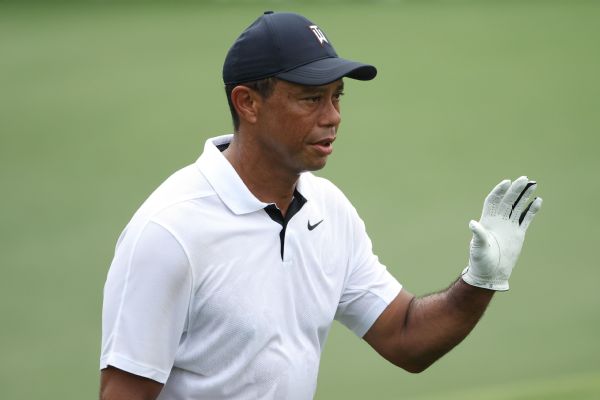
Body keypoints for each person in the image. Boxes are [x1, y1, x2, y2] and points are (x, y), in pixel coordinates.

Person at [99, 11, 543, 400]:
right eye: (311, 98)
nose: (332, 116)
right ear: (247, 103)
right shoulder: (170, 232)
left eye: (337, 96)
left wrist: (480, 281)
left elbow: (406, 337)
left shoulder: (327, 210)